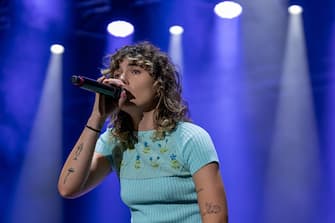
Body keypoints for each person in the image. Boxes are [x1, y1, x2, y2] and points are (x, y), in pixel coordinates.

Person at [58, 41, 228, 223]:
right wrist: (96, 118)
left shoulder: (190, 138)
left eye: (135, 71)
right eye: (117, 74)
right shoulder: (115, 141)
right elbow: (68, 188)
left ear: (159, 84)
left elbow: (215, 217)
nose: (122, 79)